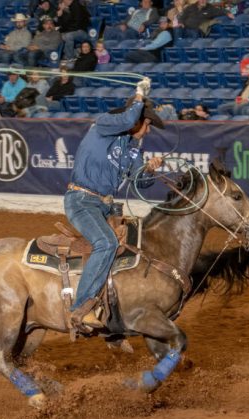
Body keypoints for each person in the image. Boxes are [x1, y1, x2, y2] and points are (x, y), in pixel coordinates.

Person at [64, 79, 164, 331]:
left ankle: (116, 312)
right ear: (138, 119)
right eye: (148, 124)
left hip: (105, 206)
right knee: (106, 243)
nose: (148, 130)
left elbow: (140, 182)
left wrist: (150, 170)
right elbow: (127, 121)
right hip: (82, 201)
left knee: (134, 246)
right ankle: (81, 307)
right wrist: (139, 94)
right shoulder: (104, 124)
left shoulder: (132, 149)